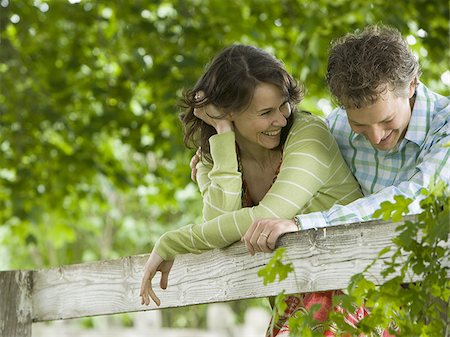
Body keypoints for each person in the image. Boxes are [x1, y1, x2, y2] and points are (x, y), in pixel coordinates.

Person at [139, 44, 363, 335]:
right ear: (228, 112)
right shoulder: (215, 158)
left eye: (284, 105)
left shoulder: (309, 135)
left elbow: (268, 215)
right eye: (266, 112)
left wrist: (171, 242)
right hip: (296, 301)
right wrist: (223, 137)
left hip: (354, 290)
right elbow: (218, 227)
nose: (281, 120)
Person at [243, 25, 450, 336]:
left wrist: (307, 223)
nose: (377, 136)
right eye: (360, 124)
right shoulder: (336, 128)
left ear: (411, 85)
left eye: (386, 120)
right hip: (346, 287)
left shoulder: (444, 127)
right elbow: (284, 164)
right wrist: (224, 157)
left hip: (426, 293)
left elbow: (415, 199)